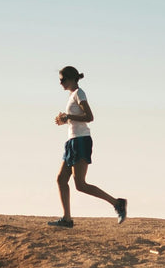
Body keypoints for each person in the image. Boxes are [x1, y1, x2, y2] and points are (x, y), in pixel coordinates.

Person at [49, 66, 126, 227]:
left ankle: (117, 203)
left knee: (80, 184)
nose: (60, 83)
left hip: (81, 141)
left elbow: (89, 117)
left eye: (62, 79)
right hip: (72, 141)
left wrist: (68, 116)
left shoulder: (79, 93)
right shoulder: (72, 95)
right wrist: (65, 120)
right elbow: (78, 119)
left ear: (71, 79)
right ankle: (67, 219)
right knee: (61, 179)